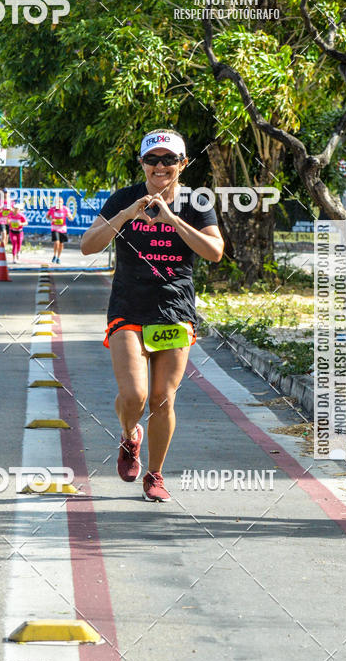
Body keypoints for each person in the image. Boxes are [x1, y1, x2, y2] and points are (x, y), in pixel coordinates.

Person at [80, 129, 224, 502]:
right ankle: (130, 438)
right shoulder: (124, 199)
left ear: (183, 164)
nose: (160, 167)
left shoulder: (196, 202)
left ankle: (155, 475)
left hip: (174, 310)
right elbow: (87, 245)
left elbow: (214, 252)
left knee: (163, 398)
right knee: (135, 395)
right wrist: (130, 214)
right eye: (153, 160)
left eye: (169, 160)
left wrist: (172, 221)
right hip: (129, 307)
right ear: (141, 163)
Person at [46, 195, 73, 264]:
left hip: (63, 228)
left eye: (60, 202)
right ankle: (54, 255)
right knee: (56, 242)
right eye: (57, 202)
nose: (59, 203)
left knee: (61, 244)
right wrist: (52, 219)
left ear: (62, 202)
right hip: (55, 228)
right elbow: (47, 216)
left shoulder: (65, 209)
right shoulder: (52, 209)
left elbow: (71, 218)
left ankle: (58, 257)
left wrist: (69, 217)